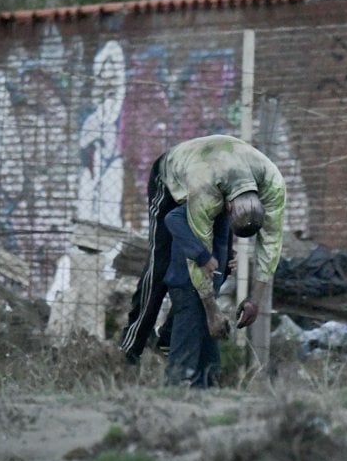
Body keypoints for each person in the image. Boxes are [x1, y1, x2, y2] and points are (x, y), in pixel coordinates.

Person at [120, 134, 286, 364]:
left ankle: (169, 335)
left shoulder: (273, 185)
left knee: (223, 264)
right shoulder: (205, 187)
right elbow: (196, 256)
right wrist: (212, 311)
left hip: (223, 175)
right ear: (227, 207)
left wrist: (254, 300)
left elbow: (271, 245)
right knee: (162, 264)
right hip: (173, 176)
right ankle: (131, 346)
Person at [162, 203, 232, 386]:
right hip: (188, 285)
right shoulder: (208, 199)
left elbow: (220, 239)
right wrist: (203, 256)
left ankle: (206, 398)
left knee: (209, 362)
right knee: (184, 359)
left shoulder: (225, 207)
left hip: (206, 287)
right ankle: (176, 394)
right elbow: (173, 218)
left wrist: (227, 260)